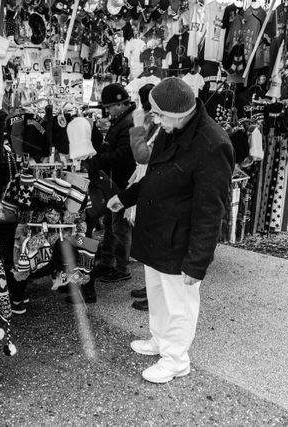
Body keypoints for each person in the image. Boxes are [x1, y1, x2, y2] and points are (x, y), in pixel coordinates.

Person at [107, 77, 234, 384]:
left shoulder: (213, 144)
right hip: (157, 231)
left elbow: (211, 211)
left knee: (181, 303)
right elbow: (155, 174)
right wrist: (125, 198)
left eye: (158, 115)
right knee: (158, 293)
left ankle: (176, 359)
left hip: (181, 238)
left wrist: (197, 262)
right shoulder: (172, 128)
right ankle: (160, 341)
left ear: (176, 114)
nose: (155, 121)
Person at [83, 83, 137, 284]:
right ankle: (107, 263)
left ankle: (121, 267)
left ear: (120, 103)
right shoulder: (123, 119)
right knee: (110, 222)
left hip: (123, 180)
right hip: (116, 179)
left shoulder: (129, 122)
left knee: (119, 224)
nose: (107, 111)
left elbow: (123, 154)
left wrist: (97, 160)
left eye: (109, 107)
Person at [126, 83, 158, 311]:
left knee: (151, 238)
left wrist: (138, 126)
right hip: (148, 179)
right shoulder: (158, 123)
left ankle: (154, 293)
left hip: (153, 182)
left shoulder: (160, 125)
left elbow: (142, 154)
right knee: (147, 237)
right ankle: (150, 288)